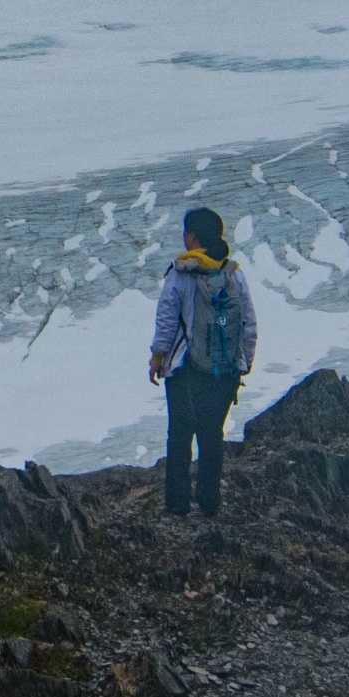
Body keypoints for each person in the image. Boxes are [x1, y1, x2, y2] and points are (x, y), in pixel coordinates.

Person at [148, 207, 258, 517]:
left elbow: (167, 321)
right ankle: (209, 501)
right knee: (212, 435)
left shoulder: (181, 274)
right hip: (224, 369)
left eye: (186, 232)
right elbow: (248, 320)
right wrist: (244, 360)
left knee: (180, 434)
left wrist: (158, 357)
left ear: (193, 238)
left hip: (186, 369)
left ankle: (177, 503)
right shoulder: (233, 272)